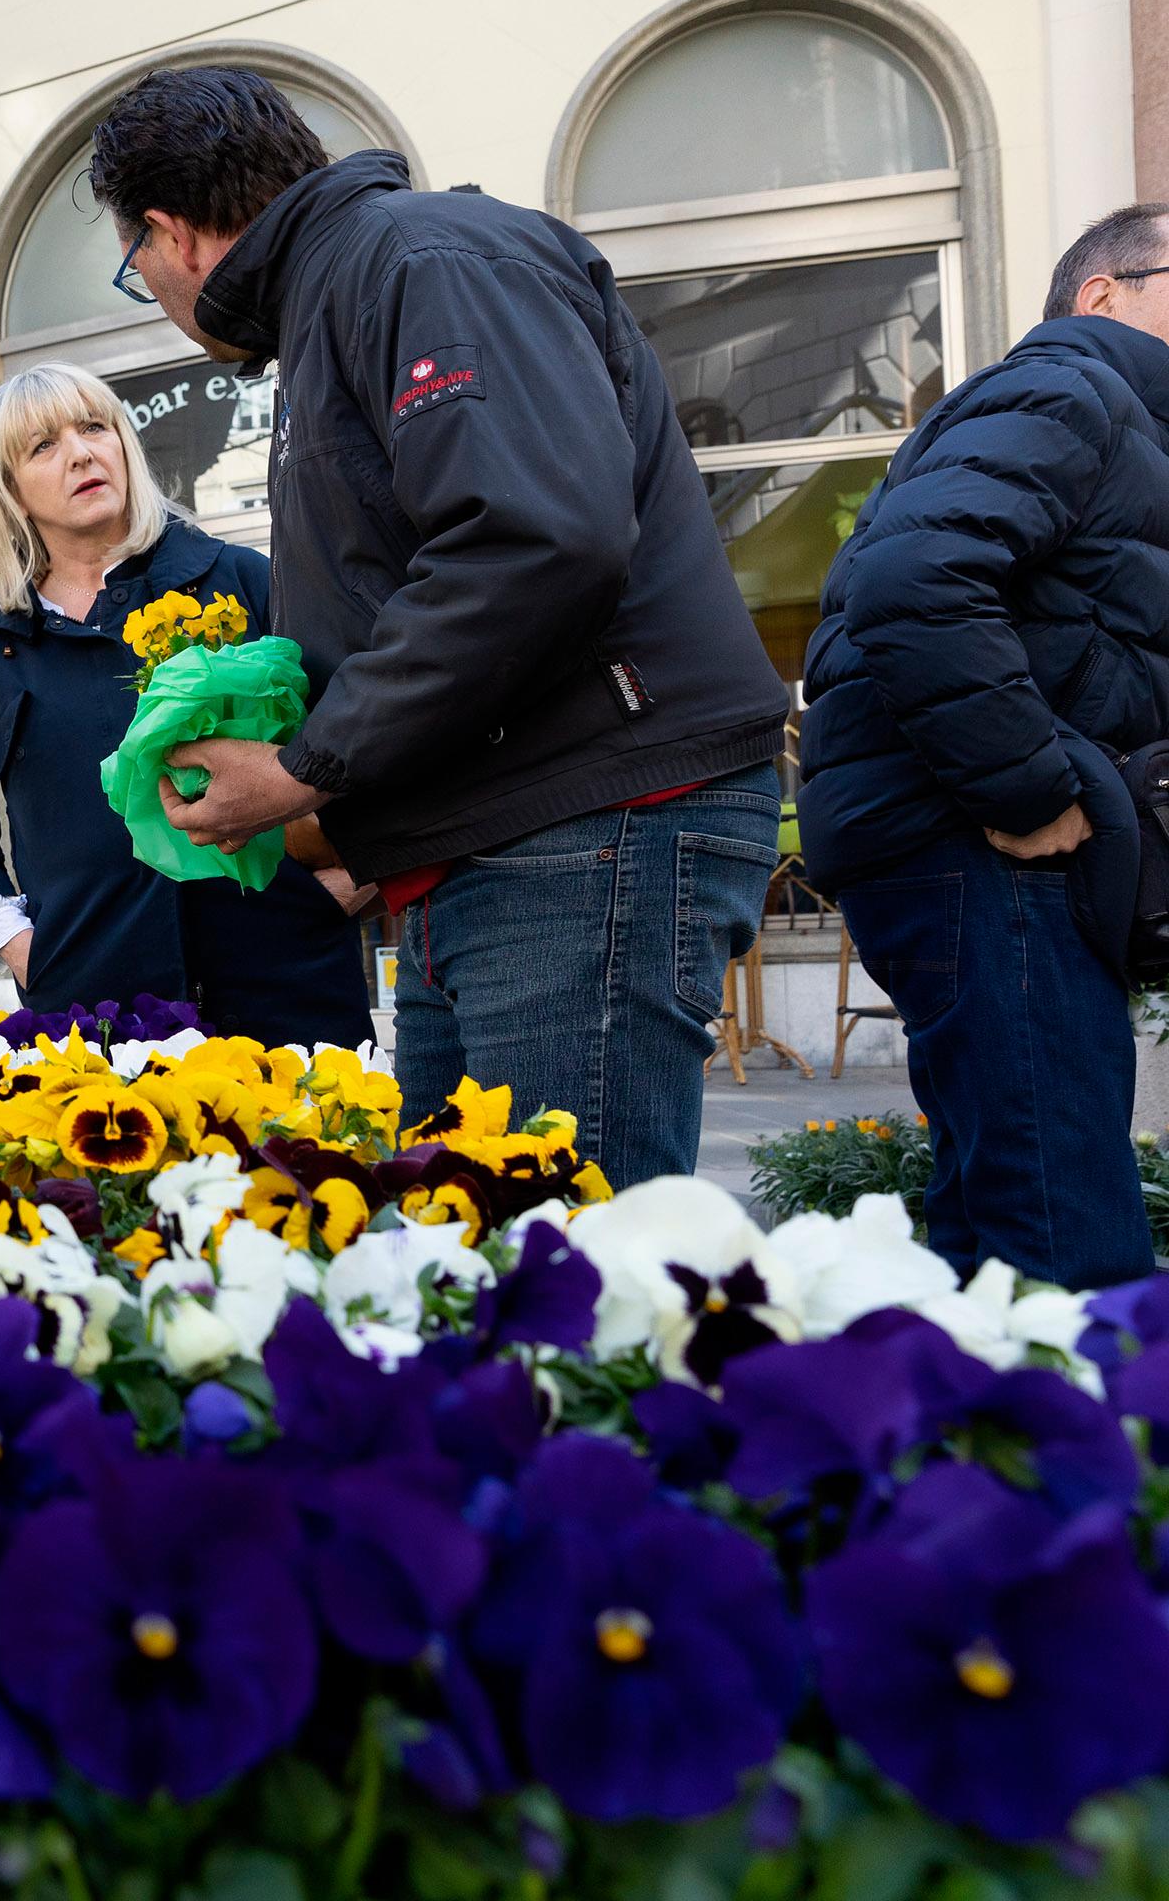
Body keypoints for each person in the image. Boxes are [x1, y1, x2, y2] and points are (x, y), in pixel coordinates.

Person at [90, 68, 783, 1183]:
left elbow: (532, 540)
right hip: (512, 836)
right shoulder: (353, 289)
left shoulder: (417, 261)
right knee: (474, 1248)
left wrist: (305, 765)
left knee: (565, 1268)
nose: (158, 296)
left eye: (138, 272)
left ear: (173, 237)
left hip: (585, 825)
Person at [796, 205, 1169, 1287]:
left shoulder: (1111, 416)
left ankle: (980, 1442)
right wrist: (1024, 785)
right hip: (983, 842)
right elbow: (913, 580)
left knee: (1007, 1224)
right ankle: (1078, 1446)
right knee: (1060, 1231)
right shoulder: (1073, 385)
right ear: (1103, 294)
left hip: (981, 848)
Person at [0, 363, 372, 1045]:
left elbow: (366, 736)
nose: (80, 453)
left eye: (95, 427)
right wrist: (28, 951)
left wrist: (345, 887)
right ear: (10, 490)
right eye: (42, 446)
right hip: (95, 1025)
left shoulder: (243, 581)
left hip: (290, 999)